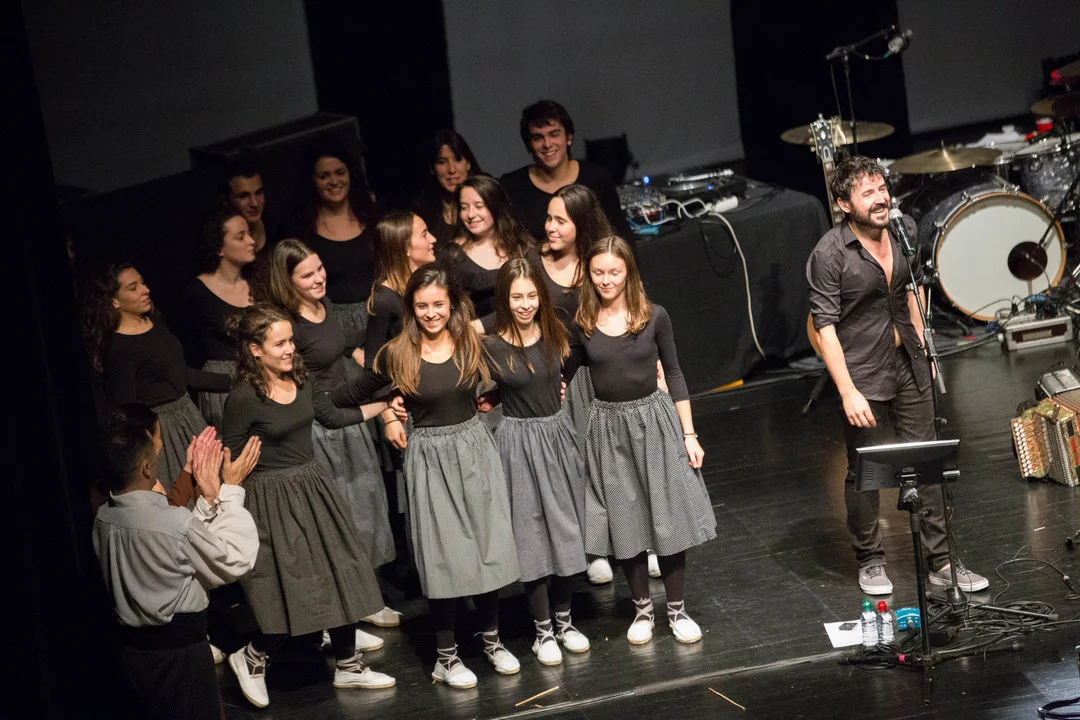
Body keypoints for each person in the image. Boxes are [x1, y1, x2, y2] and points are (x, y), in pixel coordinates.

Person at [805, 156, 989, 595]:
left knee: (927, 460)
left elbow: (914, 286)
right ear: (844, 205)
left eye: (881, 188)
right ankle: (870, 560)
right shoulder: (829, 254)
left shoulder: (904, 229)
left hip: (908, 361)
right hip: (862, 372)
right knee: (865, 469)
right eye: (867, 193)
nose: (880, 198)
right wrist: (847, 391)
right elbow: (823, 327)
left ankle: (941, 561)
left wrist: (923, 344)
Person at [332, 264, 520, 689]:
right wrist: (385, 408)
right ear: (410, 308)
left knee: (486, 548)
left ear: (452, 304)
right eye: (422, 306)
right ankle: (446, 658)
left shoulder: (470, 341)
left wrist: (497, 395)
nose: (431, 313)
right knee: (444, 557)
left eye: (438, 304)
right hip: (430, 458)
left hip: (474, 449)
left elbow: (517, 328)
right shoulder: (398, 354)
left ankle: (492, 642)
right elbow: (346, 396)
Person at [222, 304, 398, 708]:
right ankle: (252, 657)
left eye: (291, 341)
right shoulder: (244, 397)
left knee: (342, 570)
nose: (289, 350)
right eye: (279, 344)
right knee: (295, 586)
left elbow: (331, 416)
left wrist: (385, 403)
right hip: (271, 499)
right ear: (255, 350)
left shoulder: (299, 377)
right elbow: (230, 458)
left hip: (312, 486)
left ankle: (349, 665)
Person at [565, 235, 716, 646]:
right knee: (625, 519)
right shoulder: (583, 323)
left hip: (654, 422)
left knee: (668, 517)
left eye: (614, 272)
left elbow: (675, 373)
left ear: (628, 272)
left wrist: (689, 434)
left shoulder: (653, 316)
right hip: (608, 429)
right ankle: (642, 610)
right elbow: (561, 376)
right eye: (598, 272)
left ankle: (677, 610)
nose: (606, 280)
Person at [264, 238, 401, 632]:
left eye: (320, 268)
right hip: (320, 427)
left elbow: (341, 342)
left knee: (366, 505)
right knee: (336, 515)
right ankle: (339, 615)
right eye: (307, 275)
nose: (319, 278)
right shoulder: (290, 325)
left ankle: (366, 598)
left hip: (348, 420)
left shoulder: (323, 306)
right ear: (287, 281)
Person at [93, 412, 259, 719]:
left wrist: (204, 498)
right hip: (180, 656)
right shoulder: (171, 523)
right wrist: (230, 490)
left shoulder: (104, 517)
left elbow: (175, 548)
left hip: (133, 655)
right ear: (146, 467)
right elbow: (231, 559)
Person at [480, 259, 590, 667]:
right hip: (518, 443)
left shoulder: (555, 332)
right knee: (531, 536)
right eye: (516, 297)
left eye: (531, 296)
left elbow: (578, 356)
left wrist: (562, 382)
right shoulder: (491, 347)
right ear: (504, 301)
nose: (525, 304)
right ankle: (542, 630)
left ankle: (565, 621)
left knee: (564, 529)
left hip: (558, 437)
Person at [80, 263, 231, 488]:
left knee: (214, 486)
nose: (145, 290)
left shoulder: (154, 323)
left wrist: (233, 382)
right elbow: (127, 409)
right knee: (185, 493)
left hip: (188, 418)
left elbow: (181, 375)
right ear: (114, 301)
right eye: (133, 287)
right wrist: (150, 445)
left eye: (143, 283)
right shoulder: (120, 348)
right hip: (163, 432)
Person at [500, 100, 633, 247]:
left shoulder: (596, 177)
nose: (547, 144)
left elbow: (620, 233)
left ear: (569, 137)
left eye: (554, 134)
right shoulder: (511, 186)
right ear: (529, 144)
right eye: (538, 138)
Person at [176, 208, 256, 430]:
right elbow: (185, 351)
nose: (251, 241)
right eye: (240, 236)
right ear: (219, 247)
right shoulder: (197, 293)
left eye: (249, 233)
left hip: (262, 373)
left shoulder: (257, 281)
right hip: (224, 387)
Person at [291, 135, 379, 334]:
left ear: (350, 174)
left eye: (340, 173)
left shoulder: (372, 212)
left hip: (381, 313)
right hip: (335, 326)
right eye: (324, 176)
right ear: (312, 180)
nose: (334, 181)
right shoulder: (302, 228)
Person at [445, 174, 536, 321]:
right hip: (474, 334)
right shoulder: (451, 254)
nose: (470, 214)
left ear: (496, 206)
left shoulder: (523, 247)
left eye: (479, 206)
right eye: (464, 207)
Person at [364, 210, 437, 368]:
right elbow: (372, 364)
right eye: (424, 235)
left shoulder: (431, 283)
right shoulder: (384, 300)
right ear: (405, 247)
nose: (433, 239)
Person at [413, 129, 482, 250]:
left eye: (457, 159)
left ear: (468, 164)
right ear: (432, 168)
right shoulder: (421, 211)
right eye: (442, 162)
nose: (451, 169)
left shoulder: (486, 203)